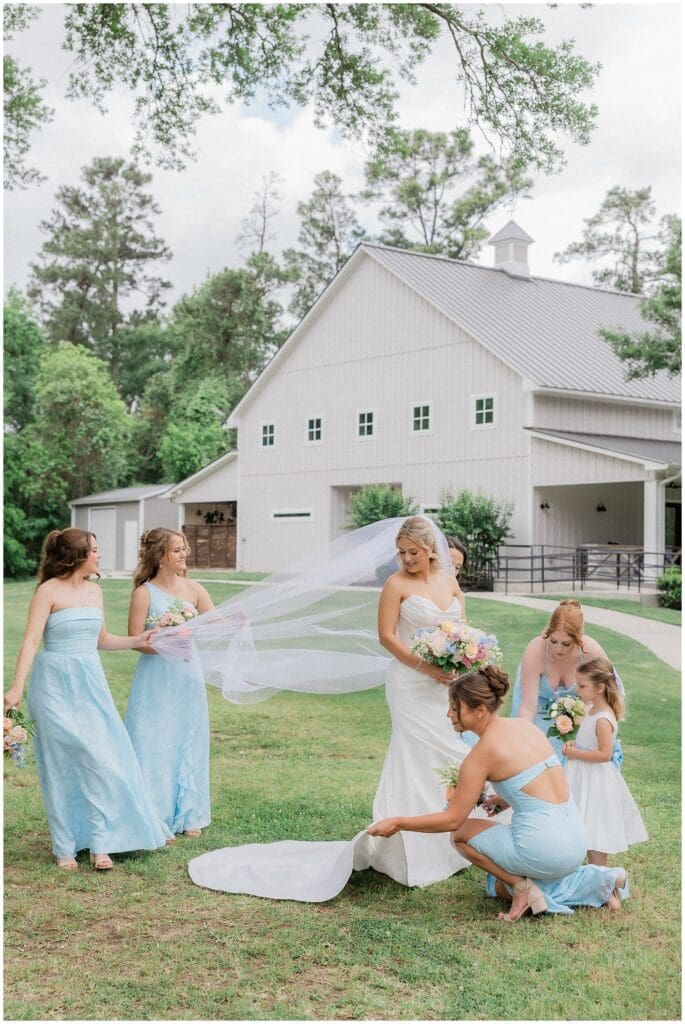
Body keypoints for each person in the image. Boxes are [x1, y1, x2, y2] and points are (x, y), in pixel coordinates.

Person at [368, 666, 629, 920]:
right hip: (575, 839)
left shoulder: (481, 755)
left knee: (464, 841)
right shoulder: (525, 727)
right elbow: (544, 778)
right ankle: (598, 880)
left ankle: (523, 889)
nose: (449, 713)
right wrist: (505, 799)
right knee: (495, 883)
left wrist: (398, 822)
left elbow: (453, 821)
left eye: (455, 707)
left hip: (544, 847)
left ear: (480, 710)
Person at [3, 528, 172, 870]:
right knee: (62, 763)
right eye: (94, 550)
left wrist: (141, 638)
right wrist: (16, 688)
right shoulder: (48, 592)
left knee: (100, 758)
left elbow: (102, 639)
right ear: (76, 556)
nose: (99, 556)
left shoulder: (95, 592)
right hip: (53, 684)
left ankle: (101, 843)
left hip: (90, 684)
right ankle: (65, 845)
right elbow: (31, 642)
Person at [124, 528, 214, 839]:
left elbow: (214, 622)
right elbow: (137, 640)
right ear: (160, 557)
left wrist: (238, 620)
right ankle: (156, 814)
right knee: (154, 740)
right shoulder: (144, 593)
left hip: (188, 675)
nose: (184, 554)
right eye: (177, 550)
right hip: (156, 677)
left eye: (184, 549)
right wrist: (165, 642)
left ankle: (190, 813)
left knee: (187, 735)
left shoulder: (195, 589)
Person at [511, 599, 622, 765]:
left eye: (566, 644)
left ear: (578, 639)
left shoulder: (591, 651)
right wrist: (520, 741)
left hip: (582, 714)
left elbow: (608, 697)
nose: (558, 649)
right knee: (536, 755)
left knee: (582, 749)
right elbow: (527, 708)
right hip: (539, 713)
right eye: (553, 641)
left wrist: (595, 725)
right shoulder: (536, 650)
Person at [563, 658, 647, 866]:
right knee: (583, 824)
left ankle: (602, 879)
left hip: (596, 780)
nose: (578, 689)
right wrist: (577, 744)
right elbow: (590, 743)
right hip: (583, 776)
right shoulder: (592, 710)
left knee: (596, 828)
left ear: (600, 687)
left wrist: (575, 754)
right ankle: (588, 876)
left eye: (582, 686)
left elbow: (604, 754)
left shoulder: (603, 718)